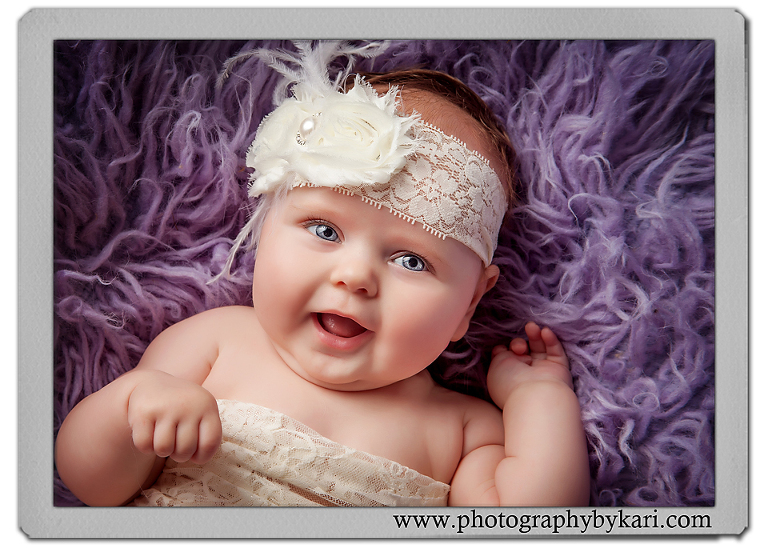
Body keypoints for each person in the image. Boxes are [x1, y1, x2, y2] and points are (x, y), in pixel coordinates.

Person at [55, 42, 590, 507]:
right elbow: (93, 485)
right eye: (325, 231)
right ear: (265, 225)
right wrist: (136, 403)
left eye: (412, 261)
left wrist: (538, 400)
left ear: (470, 305)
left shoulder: (462, 432)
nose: (356, 277)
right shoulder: (217, 341)